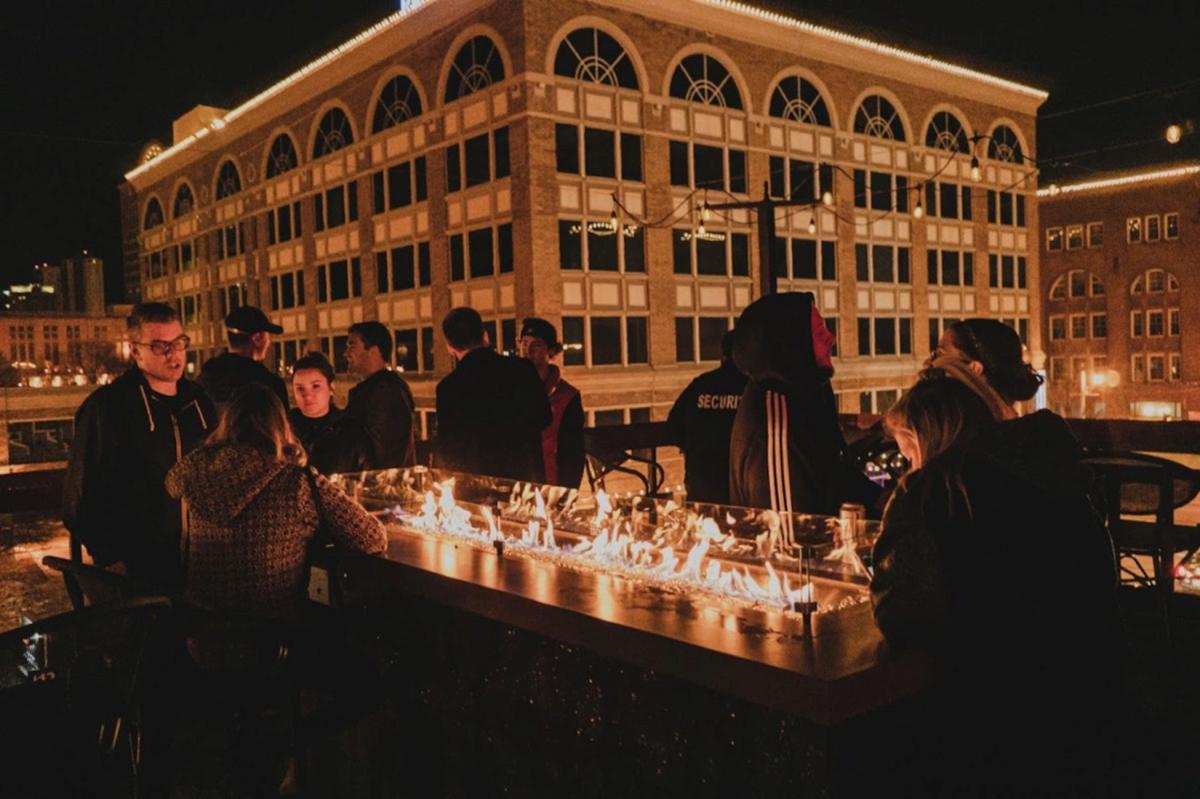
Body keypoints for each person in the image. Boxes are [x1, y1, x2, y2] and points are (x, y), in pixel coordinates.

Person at [871, 375, 1124, 793]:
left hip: (994, 708)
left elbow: (902, 612)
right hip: (1092, 687)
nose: (908, 466)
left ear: (926, 438)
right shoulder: (1051, 474)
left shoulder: (933, 491)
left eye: (908, 454)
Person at [166, 383, 386, 619]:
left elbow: (171, 484)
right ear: (281, 426)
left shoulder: (198, 472)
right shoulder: (296, 482)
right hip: (273, 638)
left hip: (202, 635)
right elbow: (371, 537)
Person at [63, 302, 215, 587]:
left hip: (203, 564)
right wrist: (110, 558)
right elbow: (79, 496)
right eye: (159, 346)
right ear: (135, 351)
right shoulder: (108, 408)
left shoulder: (200, 402)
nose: (173, 355)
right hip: (139, 568)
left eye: (179, 343)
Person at [728, 292, 854, 517]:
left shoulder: (808, 395)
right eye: (818, 332)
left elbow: (841, 478)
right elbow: (787, 537)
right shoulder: (775, 422)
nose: (830, 338)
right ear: (793, 343)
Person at [927, 317, 1085, 492]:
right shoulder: (1044, 434)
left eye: (940, 354)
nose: (931, 363)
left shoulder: (966, 448)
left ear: (974, 369)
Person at [436, 307, 550, 482]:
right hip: (525, 485)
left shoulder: (448, 388)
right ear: (485, 336)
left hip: (478, 491)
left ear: (450, 347)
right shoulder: (523, 369)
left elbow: (450, 450)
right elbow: (544, 418)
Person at [666, 330, 747, 505]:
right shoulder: (752, 388)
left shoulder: (702, 384)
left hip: (701, 483)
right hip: (737, 489)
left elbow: (673, 427)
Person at [518, 317, 585, 489]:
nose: (528, 350)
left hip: (551, 485)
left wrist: (566, 493)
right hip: (517, 483)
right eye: (524, 343)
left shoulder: (567, 396)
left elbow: (573, 453)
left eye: (537, 345)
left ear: (551, 350)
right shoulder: (510, 390)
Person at [344, 321, 416, 469]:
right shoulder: (381, 390)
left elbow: (380, 454)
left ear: (373, 351)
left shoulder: (385, 393)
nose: (346, 354)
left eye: (352, 345)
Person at [289, 351, 373, 475]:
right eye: (300, 388)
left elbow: (366, 478)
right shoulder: (282, 428)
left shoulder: (351, 431)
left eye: (315, 386)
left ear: (331, 387)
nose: (307, 395)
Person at [198, 305, 289, 410]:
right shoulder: (269, 385)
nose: (269, 342)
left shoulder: (205, 379)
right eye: (268, 336)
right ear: (257, 338)